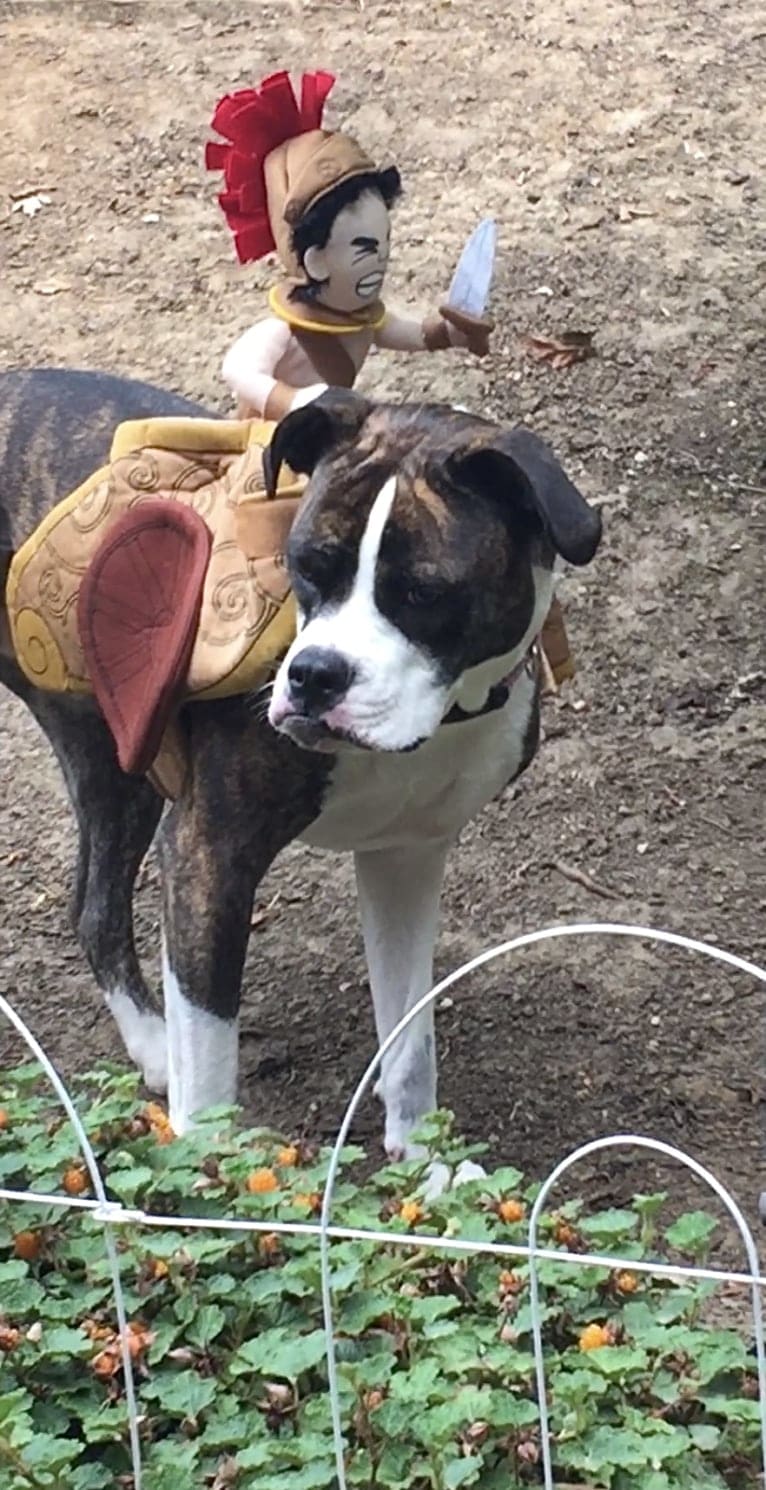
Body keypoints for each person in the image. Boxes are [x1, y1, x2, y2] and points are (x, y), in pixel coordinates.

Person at [206, 70, 493, 419]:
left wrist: (450, 332)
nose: (381, 260)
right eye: (365, 248)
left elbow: (411, 333)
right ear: (316, 261)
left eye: (384, 244)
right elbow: (238, 369)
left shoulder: (362, 322)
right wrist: (290, 402)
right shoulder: (282, 332)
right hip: (269, 443)